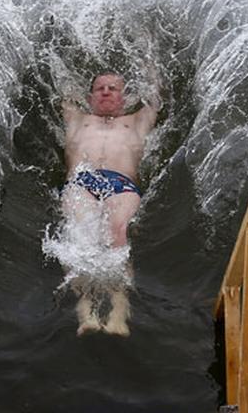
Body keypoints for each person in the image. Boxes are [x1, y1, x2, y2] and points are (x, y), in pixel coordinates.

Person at [60, 70, 160, 336]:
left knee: (118, 232)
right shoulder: (78, 119)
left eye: (113, 88)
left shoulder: (136, 121)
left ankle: (118, 313)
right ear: (90, 96)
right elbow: (62, 86)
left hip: (121, 183)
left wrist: (150, 59)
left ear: (124, 97)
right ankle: (87, 311)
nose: (105, 92)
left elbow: (156, 96)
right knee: (82, 236)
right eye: (100, 88)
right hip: (82, 181)